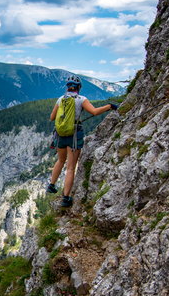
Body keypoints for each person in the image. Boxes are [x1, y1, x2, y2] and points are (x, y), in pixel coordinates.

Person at [46, 75, 118, 207]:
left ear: (67, 87)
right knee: (71, 168)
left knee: (60, 160)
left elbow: (52, 117)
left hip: (60, 134)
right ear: (78, 87)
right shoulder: (81, 99)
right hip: (74, 135)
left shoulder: (61, 99)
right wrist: (109, 106)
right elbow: (95, 112)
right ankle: (66, 198)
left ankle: (51, 185)